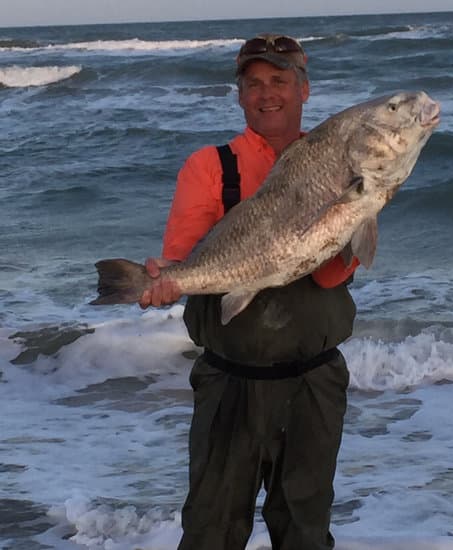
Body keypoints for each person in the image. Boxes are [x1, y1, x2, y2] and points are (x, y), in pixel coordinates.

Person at [139, 33, 359, 550]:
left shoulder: (344, 169)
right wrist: (165, 281)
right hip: (228, 385)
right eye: (253, 83)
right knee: (211, 533)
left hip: (313, 385)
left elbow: (331, 277)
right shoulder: (210, 167)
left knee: (305, 533)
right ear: (240, 96)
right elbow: (187, 261)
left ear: (304, 90)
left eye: (279, 81)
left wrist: (347, 212)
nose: (267, 93)